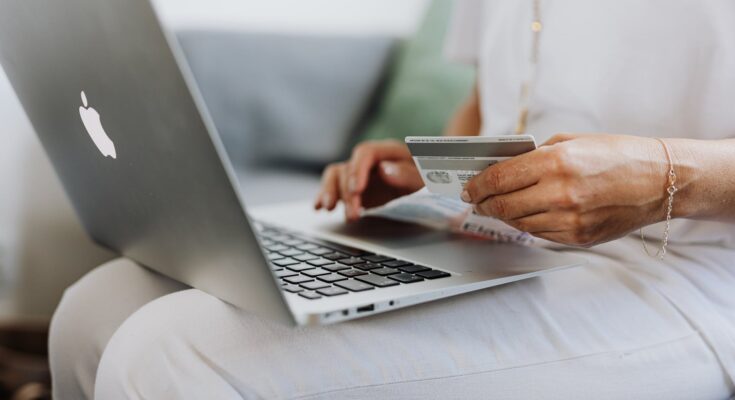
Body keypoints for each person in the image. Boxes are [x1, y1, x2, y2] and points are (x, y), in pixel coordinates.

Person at [50, 1, 735, 399]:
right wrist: (437, 168)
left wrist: (662, 175)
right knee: (98, 308)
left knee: (166, 354)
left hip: (678, 270)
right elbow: (486, 102)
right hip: (503, 240)